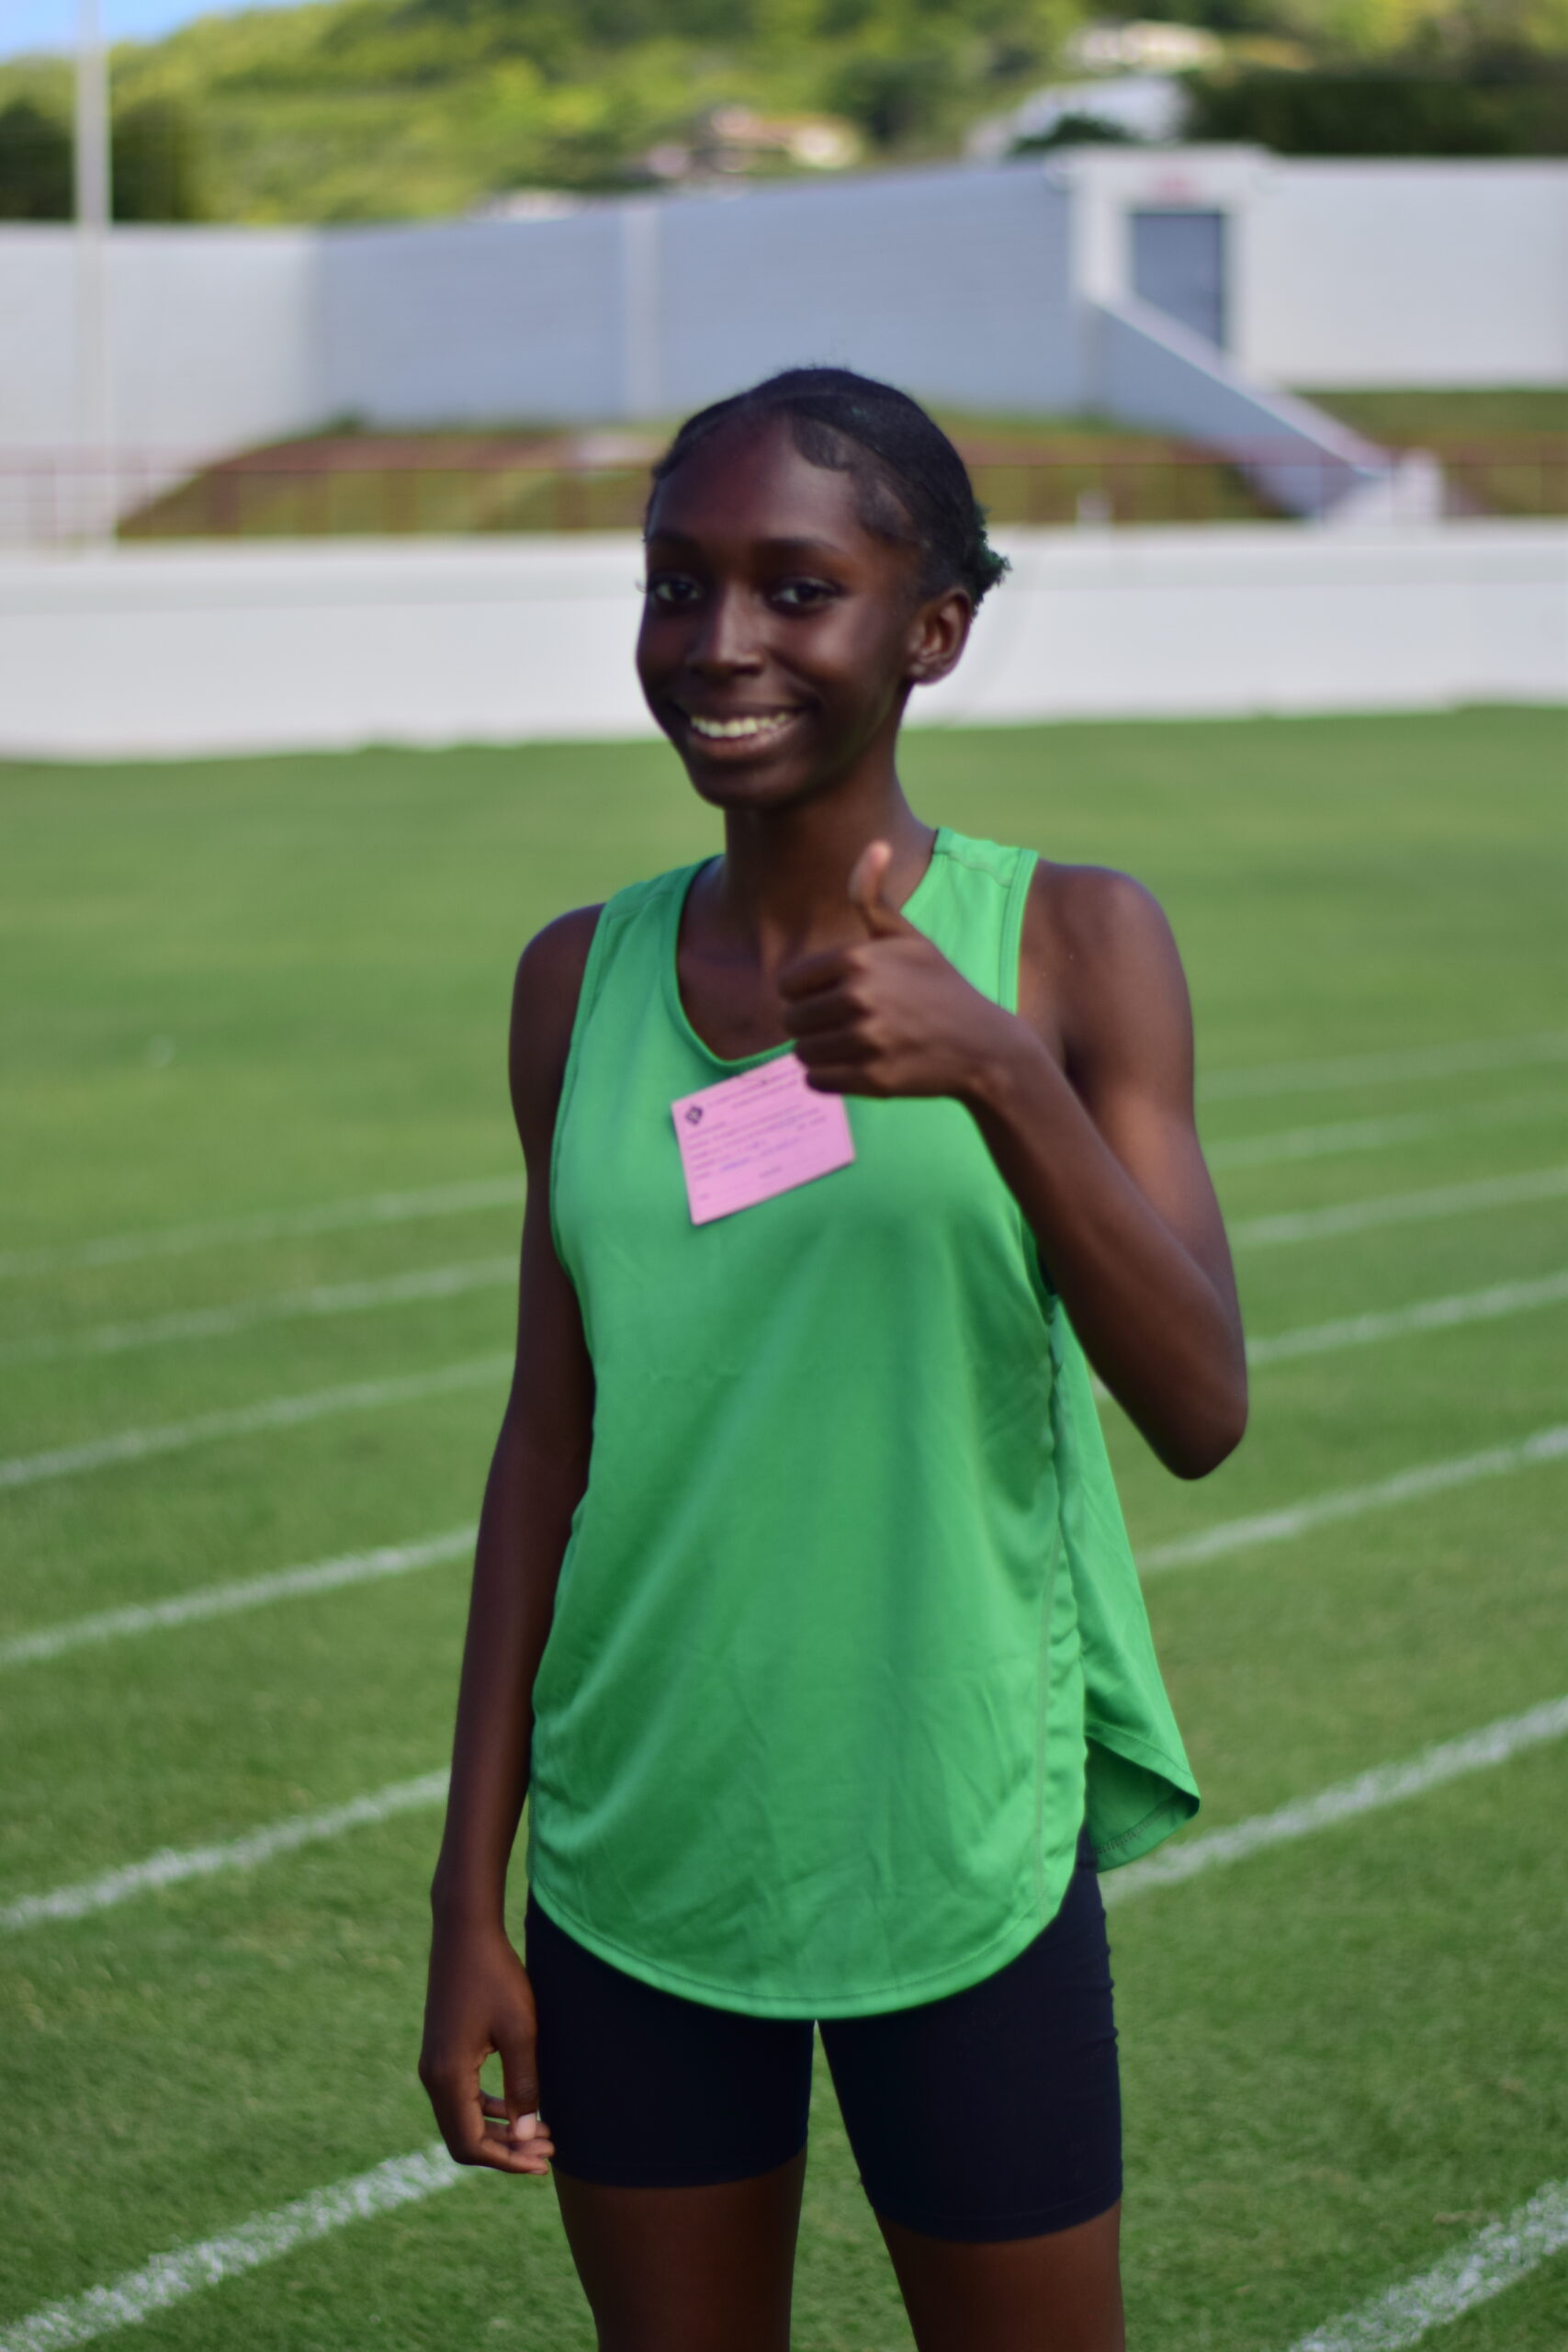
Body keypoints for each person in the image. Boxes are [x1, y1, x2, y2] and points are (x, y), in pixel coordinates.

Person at [419, 366, 1247, 2352]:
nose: (720, 642)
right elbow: (549, 1442)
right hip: (643, 1841)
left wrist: (993, 1070)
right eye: (675, 583)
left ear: (930, 629)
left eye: (796, 589)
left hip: (951, 1823)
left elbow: (1201, 1405)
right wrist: (466, 1896)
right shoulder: (577, 980)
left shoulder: (1069, 945)